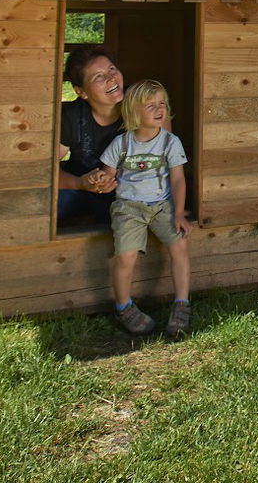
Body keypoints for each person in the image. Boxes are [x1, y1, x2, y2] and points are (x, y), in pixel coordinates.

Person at [99, 79, 193, 337]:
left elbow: (177, 179)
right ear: (133, 112)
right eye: (150, 105)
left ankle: (182, 303)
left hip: (162, 206)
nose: (159, 108)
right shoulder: (123, 143)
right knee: (126, 256)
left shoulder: (170, 142)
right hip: (128, 208)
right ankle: (123, 306)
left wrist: (178, 212)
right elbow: (107, 174)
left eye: (162, 103)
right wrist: (103, 179)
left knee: (180, 245)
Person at [57, 46, 124, 226]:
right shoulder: (71, 116)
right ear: (81, 91)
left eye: (111, 69)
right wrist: (80, 183)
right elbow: (44, 170)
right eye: (99, 76)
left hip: (128, 193)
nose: (111, 78)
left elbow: (165, 152)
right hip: (81, 191)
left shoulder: (138, 106)